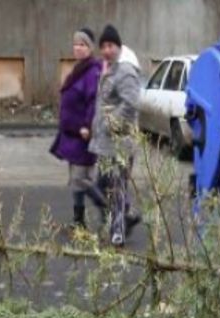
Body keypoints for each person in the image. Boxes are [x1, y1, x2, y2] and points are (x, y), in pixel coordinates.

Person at [89, 24, 142, 247]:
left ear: (118, 47)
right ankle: (127, 217)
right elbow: (103, 103)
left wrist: (111, 124)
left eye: (110, 46)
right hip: (105, 143)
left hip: (121, 143)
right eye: (103, 46)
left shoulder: (126, 71)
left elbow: (131, 103)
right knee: (100, 186)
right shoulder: (108, 69)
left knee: (118, 188)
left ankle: (117, 234)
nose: (106, 50)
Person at [50, 28, 105, 230]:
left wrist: (87, 126)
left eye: (82, 44)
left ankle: (109, 210)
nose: (78, 48)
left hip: (82, 135)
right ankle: (79, 220)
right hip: (72, 134)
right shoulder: (79, 69)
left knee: (82, 179)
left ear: (90, 48)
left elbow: (93, 101)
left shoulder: (92, 71)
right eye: (76, 44)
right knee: (77, 179)